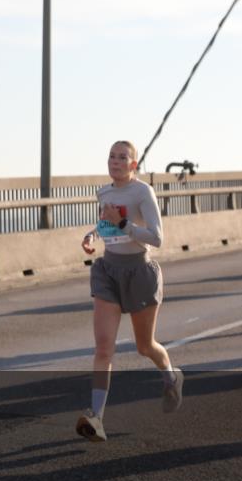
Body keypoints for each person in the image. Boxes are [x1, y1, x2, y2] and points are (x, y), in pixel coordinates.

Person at [76, 141, 182, 443]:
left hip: (139, 272)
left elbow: (157, 237)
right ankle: (96, 417)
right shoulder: (104, 192)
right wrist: (92, 233)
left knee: (145, 346)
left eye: (123, 157)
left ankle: (171, 377)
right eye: (111, 156)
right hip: (108, 271)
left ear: (133, 165)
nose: (116, 161)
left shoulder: (142, 192)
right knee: (103, 348)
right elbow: (106, 225)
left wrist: (123, 223)